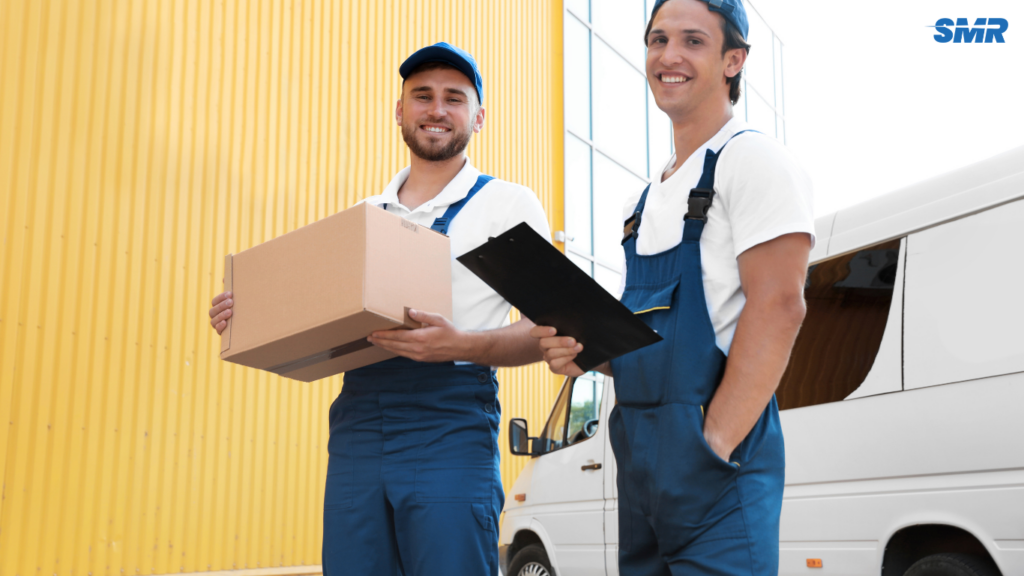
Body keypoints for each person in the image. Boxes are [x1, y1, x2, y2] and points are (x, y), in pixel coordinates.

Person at [208, 42, 551, 575]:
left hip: (450, 424)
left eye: (454, 98)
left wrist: (463, 345)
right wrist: (247, 314)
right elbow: (313, 320)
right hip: (359, 427)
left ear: (478, 117)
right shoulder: (362, 219)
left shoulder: (507, 206)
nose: (436, 109)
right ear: (399, 111)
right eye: (422, 96)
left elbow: (549, 329)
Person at [532, 1, 814, 574]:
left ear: (734, 60)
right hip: (639, 467)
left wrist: (712, 446)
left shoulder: (752, 160)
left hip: (713, 471)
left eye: (693, 41)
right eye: (657, 39)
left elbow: (780, 306)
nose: (669, 56)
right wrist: (590, 355)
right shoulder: (647, 200)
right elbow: (654, 342)